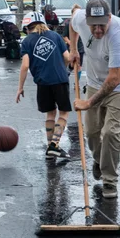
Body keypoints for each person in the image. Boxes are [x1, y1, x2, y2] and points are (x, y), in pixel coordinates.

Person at [69, 0, 120, 199]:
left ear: (110, 18)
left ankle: (110, 181)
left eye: (102, 24)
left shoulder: (118, 33)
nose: (98, 30)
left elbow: (114, 79)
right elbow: (72, 21)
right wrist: (74, 50)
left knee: (110, 131)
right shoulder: (80, 19)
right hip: (94, 81)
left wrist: (89, 103)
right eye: (94, 25)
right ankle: (99, 160)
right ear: (87, 20)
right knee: (92, 132)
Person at [16, 11, 72, 159]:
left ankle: (50, 147)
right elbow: (67, 57)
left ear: (28, 27)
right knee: (64, 112)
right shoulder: (55, 36)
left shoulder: (27, 41)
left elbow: (25, 66)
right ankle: (54, 145)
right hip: (60, 79)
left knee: (50, 113)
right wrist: (64, 69)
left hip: (43, 82)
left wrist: (20, 87)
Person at [63, 4, 85, 84]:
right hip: (71, 48)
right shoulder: (69, 24)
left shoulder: (82, 23)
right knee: (71, 65)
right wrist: (72, 44)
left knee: (79, 66)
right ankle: (65, 77)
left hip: (80, 48)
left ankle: (77, 83)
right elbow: (65, 36)